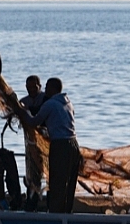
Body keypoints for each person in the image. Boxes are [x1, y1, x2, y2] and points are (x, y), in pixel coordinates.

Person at [15, 77, 81, 213]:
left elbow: (34, 122)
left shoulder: (50, 104)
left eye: (47, 87)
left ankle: (56, 214)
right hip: (74, 144)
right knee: (69, 182)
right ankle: (67, 212)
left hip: (60, 145)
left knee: (56, 181)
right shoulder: (68, 103)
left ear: (52, 88)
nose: (45, 90)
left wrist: (22, 112)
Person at [19, 75, 46, 211]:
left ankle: (48, 201)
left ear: (39, 86)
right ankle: (32, 200)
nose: (31, 90)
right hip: (30, 144)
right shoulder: (23, 101)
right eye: (28, 87)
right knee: (32, 174)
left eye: (34, 87)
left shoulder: (46, 99)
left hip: (47, 142)